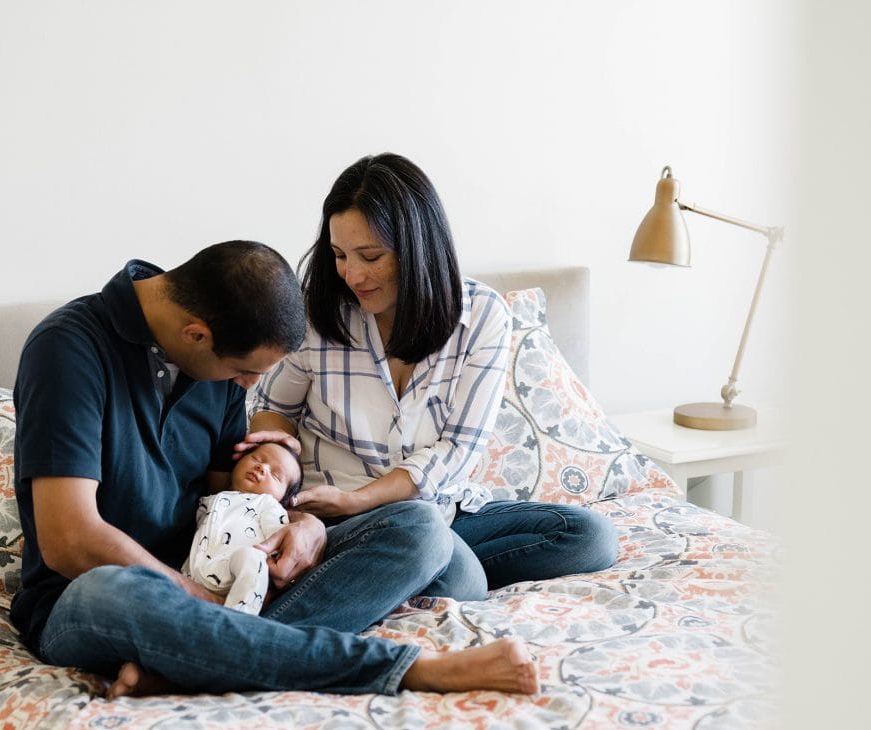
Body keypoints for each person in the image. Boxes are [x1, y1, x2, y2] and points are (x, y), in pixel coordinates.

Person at [8, 240, 539, 698]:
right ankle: (409, 672)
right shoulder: (68, 349)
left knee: (419, 528)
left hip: (216, 574)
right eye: (243, 371)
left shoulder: (216, 360)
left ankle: (204, 666)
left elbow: (225, 500)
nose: (246, 389)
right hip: (88, 597)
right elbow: (69, 540)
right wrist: (198, 599)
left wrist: (296, 528)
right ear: (195, 335)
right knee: (116, 588)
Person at [245, 154, 618, 599]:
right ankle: (396, 566)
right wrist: (280, 482)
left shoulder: (482, 317)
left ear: (417, 248)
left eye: (371, 256)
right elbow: (271, 410)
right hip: (333, 514)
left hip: (437, 509)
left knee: (590, 536)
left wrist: (363, 498)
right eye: (340, 255)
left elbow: (460, 447)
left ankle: (391, 567)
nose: (353, 275)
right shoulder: (317, 315)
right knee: (460, 579)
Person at [181, 442, 302, 615]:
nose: (261, 467)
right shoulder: (210, 498)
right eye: (256, 458)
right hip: (194, 573)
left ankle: (240, 618)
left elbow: (278, 538)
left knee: (252, 557)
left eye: (275, 475)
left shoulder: (267, 504)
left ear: (283, 498)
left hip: (235, 571)